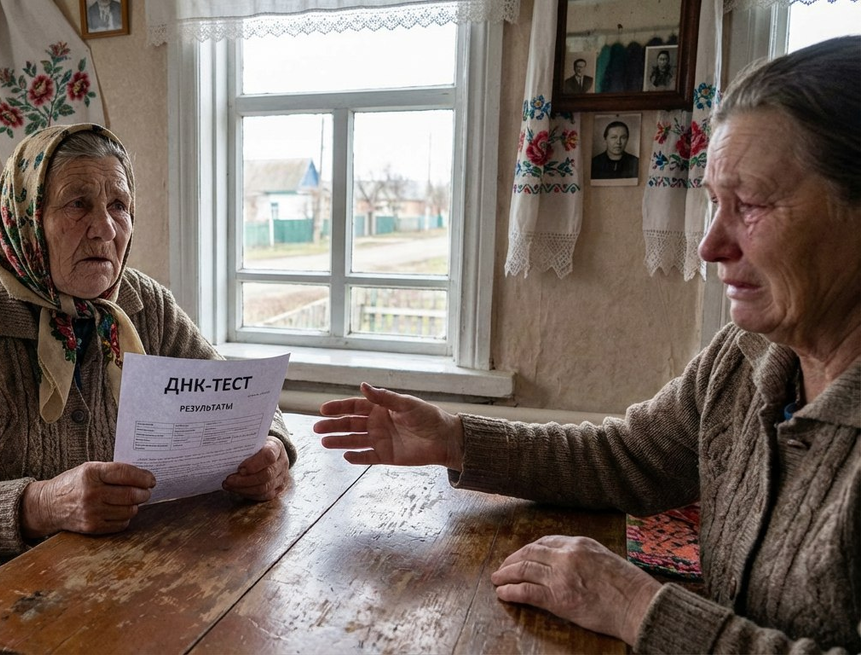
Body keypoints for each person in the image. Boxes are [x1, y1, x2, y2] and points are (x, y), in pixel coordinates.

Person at [317, 36, 861, 653]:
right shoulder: (746, 354)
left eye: (752, 205)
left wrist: (639, 607)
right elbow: (627, 458)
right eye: (714, 203)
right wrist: (454, 438)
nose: (710, 245)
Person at [0, 123, 297, 650]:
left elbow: (243, 396)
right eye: (77, 204)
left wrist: (273, 448)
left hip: (99, 589)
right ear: (28, 217)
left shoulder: (144, 305)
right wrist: (42, 504)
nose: (104, 229)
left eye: (119, 206)